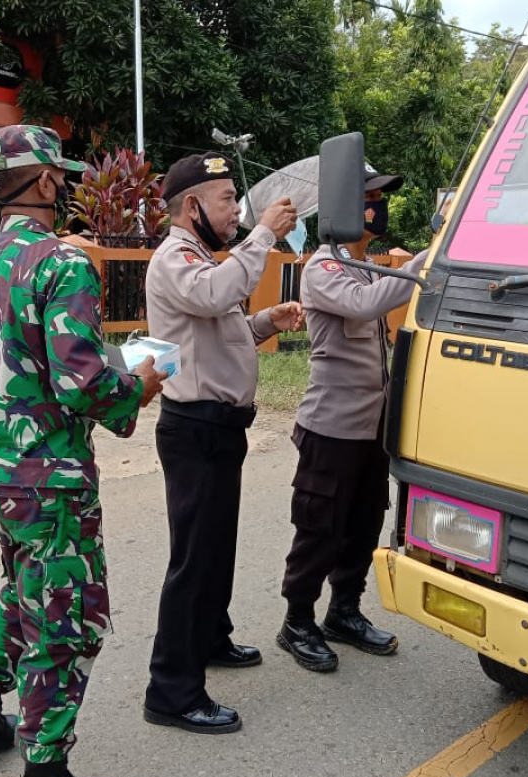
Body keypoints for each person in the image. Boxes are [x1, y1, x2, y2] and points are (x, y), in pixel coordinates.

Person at [0, 125, 165, 777]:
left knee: (24, 584)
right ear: (44, 181)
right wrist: (140, 385)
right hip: (49, 479)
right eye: (59, 176)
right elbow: (82, 382)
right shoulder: (61, 264)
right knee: (67, 619)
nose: (63, 185)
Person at [142, 152, 304, 734]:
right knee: (194, 559)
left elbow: (218, 324)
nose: (236, 211)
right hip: (195, 428)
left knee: (216, 547)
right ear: (192, 207)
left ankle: (211, 637)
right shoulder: (176, 258)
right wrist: (264, 233)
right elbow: (212, 296)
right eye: (227, 200)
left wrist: (265, 322)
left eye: (237, 202)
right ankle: (171, 690)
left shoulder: (206, 260)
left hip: (220, 428)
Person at [276, 165, 429, 673]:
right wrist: (433, 260)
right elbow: (365, 307)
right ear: (343, 208)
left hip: (370, 428)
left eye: (379, 196)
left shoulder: (367, 266)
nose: (377, 205)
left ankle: (344, 610)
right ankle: (298, 620)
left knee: (364, 522)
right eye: (368, 197)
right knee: (320, 527)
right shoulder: (324, 268)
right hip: (331, 426)